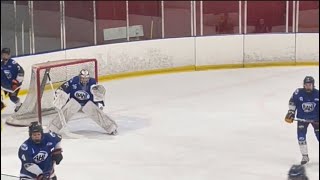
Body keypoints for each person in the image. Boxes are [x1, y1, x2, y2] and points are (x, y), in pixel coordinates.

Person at [47, 69, 118, 135]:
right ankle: (53, 128)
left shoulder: (93, 83)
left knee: (97, 113)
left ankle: (111, 128)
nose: (85, 80)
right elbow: (62, 88)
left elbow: (99, 95)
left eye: (86, 78)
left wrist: (100, 104)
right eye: (83, 78)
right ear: (79, 77)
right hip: (75, 103)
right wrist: (58, 96)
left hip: (87, 104)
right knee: (68, 110)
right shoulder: (73, 81)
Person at [285, 76, 319, 165]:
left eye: (310, 85)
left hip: (316, 120)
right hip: (302, 119)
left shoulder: (317, 94)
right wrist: (291, 112)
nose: (308, 86)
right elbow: (292, 101)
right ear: (304, 85)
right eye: (306, 85)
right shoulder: (298, 93)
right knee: (301, 137)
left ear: (313, 85)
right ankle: (305, 156)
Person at [1, 47, 24, 112]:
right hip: (4, 86)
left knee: (12, 98)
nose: (4, 56)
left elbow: (21, 72)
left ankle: (19, 105)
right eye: (3, 54)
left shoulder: (13, 63)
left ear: (9, 55)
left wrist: (16, 82)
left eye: (6, 54)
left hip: (13, 86)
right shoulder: (1, 64)